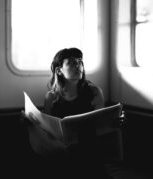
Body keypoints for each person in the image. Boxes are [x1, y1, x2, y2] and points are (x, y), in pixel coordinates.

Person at [26, 48, 111, 178]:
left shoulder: (94, 92)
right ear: (59, 70)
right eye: (71, 63)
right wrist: (31, 122)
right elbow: (48, 129)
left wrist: (115, 121)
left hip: (88, 150)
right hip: (62, 150)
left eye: (80, 62)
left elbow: (101, 124)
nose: (78, 66)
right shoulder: (50, 97)